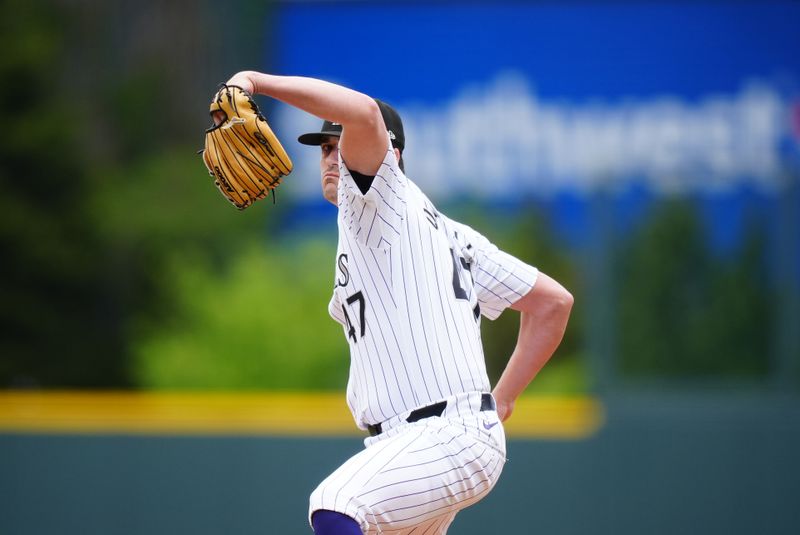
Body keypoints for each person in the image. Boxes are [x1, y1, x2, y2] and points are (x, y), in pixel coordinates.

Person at [221, 71, 573, 534]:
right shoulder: (449, 233)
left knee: (335, 503)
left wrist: (256, 81)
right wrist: (501, 402)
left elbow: (365, 113)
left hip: (442, 435)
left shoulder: (379, 197)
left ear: (392, 153)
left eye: (339, 144)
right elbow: (552, 304)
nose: (331, 158)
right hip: (424, 443)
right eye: (325, 149)